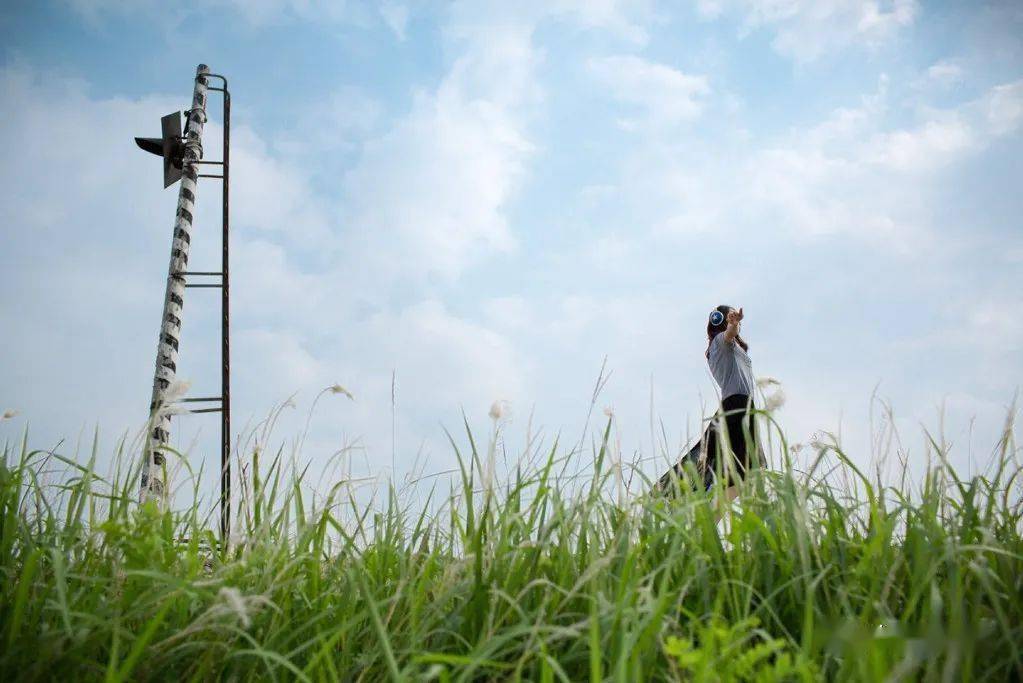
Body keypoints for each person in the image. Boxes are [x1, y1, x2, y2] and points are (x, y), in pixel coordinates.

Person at [657, 305, 765, 501]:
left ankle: (707, 518)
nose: (735, 319)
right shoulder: (719, 343)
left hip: (743, 408)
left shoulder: (734, 349)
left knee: (745, 473)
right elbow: (728, 335)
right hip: (737, 407)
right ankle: (670, 497)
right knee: (750, 470)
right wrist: (732, 326)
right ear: (721, 321)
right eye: (730, 316)